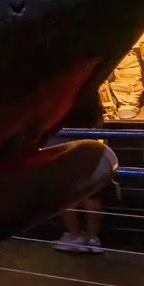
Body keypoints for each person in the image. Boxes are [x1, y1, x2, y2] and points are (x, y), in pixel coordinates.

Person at [53, 73, 111, 254]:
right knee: (92, 194)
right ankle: (92, 237)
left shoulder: (65, 96)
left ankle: (74, 234)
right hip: (93, 147)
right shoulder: (91, 97)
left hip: (67, 148)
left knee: (68, 195)